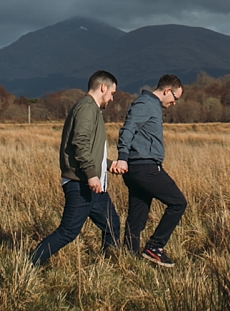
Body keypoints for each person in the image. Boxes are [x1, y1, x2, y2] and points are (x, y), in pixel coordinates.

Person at [29, 70, 121, 266]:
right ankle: (29, 264)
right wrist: (91, 175)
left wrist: (109, 165)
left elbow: (91, 150)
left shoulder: (92, 109)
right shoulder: (87, 108)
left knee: (112, 224)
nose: (112, 98)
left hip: (92, 184)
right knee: (68, 232)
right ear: (103, 87)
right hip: (81, 183)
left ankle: (108, 267)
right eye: (112, 93)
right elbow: (80, 143)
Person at [109, 73, 187, 267]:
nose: (175, 103)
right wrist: (122, 158)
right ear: (167, 90)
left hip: (138, 168)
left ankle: (129, 257)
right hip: (144, 167)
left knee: (137, 214)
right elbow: (127, 129)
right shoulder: (145, 104)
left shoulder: (151, 105)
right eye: (175, 98)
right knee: (178, 203)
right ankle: (155, 246)